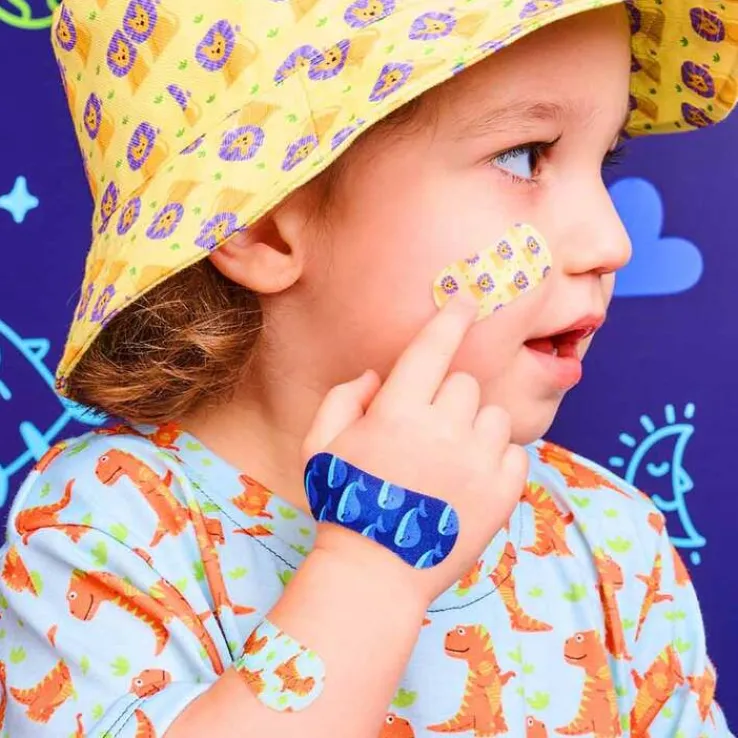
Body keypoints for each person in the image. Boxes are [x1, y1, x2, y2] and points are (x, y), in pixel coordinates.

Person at [0, 0, 735, 735]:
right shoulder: (106, 530)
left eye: (605, 160)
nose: (611, 242)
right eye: (525, 156)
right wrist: (373, 569)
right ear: (264, 222)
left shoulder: (609, 540)